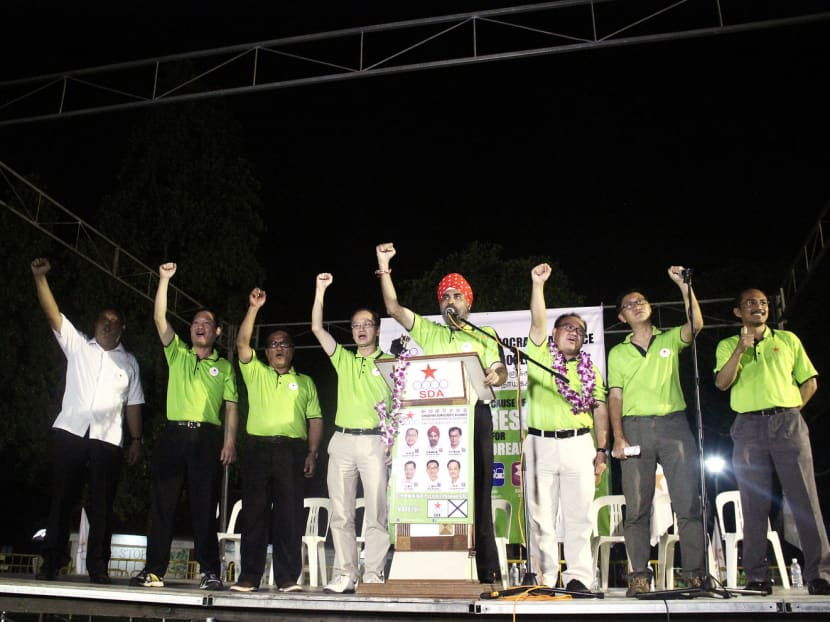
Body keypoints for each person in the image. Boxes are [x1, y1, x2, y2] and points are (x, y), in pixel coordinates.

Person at [375, 242, 508, 584]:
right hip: (435, 422)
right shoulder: (429, 331)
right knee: (435, 491)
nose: (450, 301)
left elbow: (500, 369)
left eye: (456, 296)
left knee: (477, 496)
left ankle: (486, 571)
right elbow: (393, 307)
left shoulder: (484, 333)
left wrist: (497, 375)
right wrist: (385, 267)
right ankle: (430, 562)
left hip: (475, 419)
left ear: (468, 302)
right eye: (445, 296)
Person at [30, 258, 145, 584]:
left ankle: (98, 566)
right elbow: (53, 315)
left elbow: (134, 404)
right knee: (62, 499)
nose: (108, 324)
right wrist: (40, 279)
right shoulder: (79, 346)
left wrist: (136, 440)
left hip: (107, 442)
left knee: (102, 507)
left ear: (123, 328)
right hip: (70, 434)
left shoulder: (130, 362)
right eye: (103, 320)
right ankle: (51, 562)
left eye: (115, 321)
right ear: (95, 325)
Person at [714, 288, 830, 595]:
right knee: (754, 502)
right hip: (748, 426)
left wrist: (789, 409)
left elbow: (810, 381)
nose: (759, 307)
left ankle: (819, 573)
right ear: (738, 312)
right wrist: (740, 349)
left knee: (805, 497)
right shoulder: (727, 344)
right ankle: (756, 575)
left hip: (788, 422)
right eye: (751, 302)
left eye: (763, 303)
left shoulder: (788, 340)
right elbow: (722, 383)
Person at [131, 262, 238, 591]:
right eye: (195, 322)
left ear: (217, 331)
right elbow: (160, 319)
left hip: (206, 438)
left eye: (207, 323)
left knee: (204, 506)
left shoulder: (225, 366)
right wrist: (164, 280)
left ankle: (210, 571)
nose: (200, 326)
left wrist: (230, 441)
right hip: (174, 434)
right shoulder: (177, 353)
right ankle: (154, 570)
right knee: (163, 503)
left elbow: (232, 407)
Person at [607, 266, 706, 597]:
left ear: (649, 308)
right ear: (621, 317)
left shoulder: (669, 339)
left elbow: (696, 325)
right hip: (635, 429)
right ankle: (638, 574)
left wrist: (684, 286)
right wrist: (618, 436)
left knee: (687, 502)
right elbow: (615, 396)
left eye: (641, 300)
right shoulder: (618, 352)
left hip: (674, 426)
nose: (636, 304)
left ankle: (693, 573)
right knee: (636, 507)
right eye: (629, 304)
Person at [230, 287, 323, 593]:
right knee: (255, 514)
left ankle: (287, 578)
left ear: (292, 350)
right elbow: (242, 343)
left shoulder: (306, 382)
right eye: (272, 345)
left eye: (284, 344)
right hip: (257, 449)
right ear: (266, 352)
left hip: (292, 451)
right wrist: (253, 307)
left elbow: (315, 419)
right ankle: (249, 576)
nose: (278, 348)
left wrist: (312, 452)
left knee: (290, 516)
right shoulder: (255, 372)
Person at [525, 262, 610, 591]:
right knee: (541, 517)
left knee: (579, 518)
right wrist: (538, 285)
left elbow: (600, 410)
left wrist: (601, 450)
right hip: (540, 444)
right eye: (567, 328)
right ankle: (545, 580)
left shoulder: (591, 370)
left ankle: (579, 579)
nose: (574, 333)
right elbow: (537, 320)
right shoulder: (540, 356)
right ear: (555, 334)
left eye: (579, 330)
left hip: (579, 446)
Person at [310, 273, 392, 594]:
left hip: (375, 441)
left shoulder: (391, 362)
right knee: (341, 512)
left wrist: (394, 443)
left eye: (366, 324)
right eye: (356, 324)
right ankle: (345, 573)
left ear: (377, 328)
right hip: (342, 440)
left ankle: (372, 574)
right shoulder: (344, 359)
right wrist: (320, 290)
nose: (360, 329)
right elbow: (317, 328)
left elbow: (401, 405)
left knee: (376, 511)